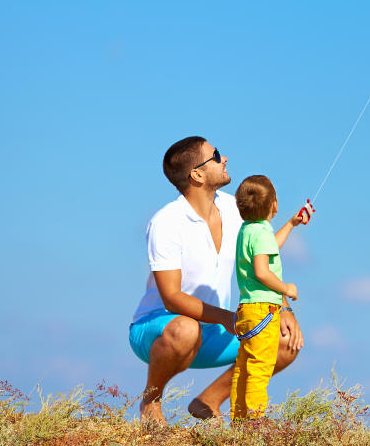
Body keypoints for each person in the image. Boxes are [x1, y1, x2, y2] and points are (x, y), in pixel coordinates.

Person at [128, 136, 306, 423]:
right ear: (197, 174)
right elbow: (172, 299)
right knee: (186, 329)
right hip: (158, 328)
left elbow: (260, 259)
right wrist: (225, 317)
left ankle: (208, 401)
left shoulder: (237, 210)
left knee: (284, 341)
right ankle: (151, 403)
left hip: (215, 330)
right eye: (216, 155)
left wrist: (283, 307)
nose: (224, 159)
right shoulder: (166, 222)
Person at [228, 175, 304, 420]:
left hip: (248, 309)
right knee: (259, 370)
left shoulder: (249, 230)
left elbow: (271, 245)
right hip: (264, 310)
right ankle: (254, 426)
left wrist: (291, 224)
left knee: (244, 366)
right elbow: (262, 271)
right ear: (274, 205)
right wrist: (285, 289)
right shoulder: (260, 234)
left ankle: (239, 422)